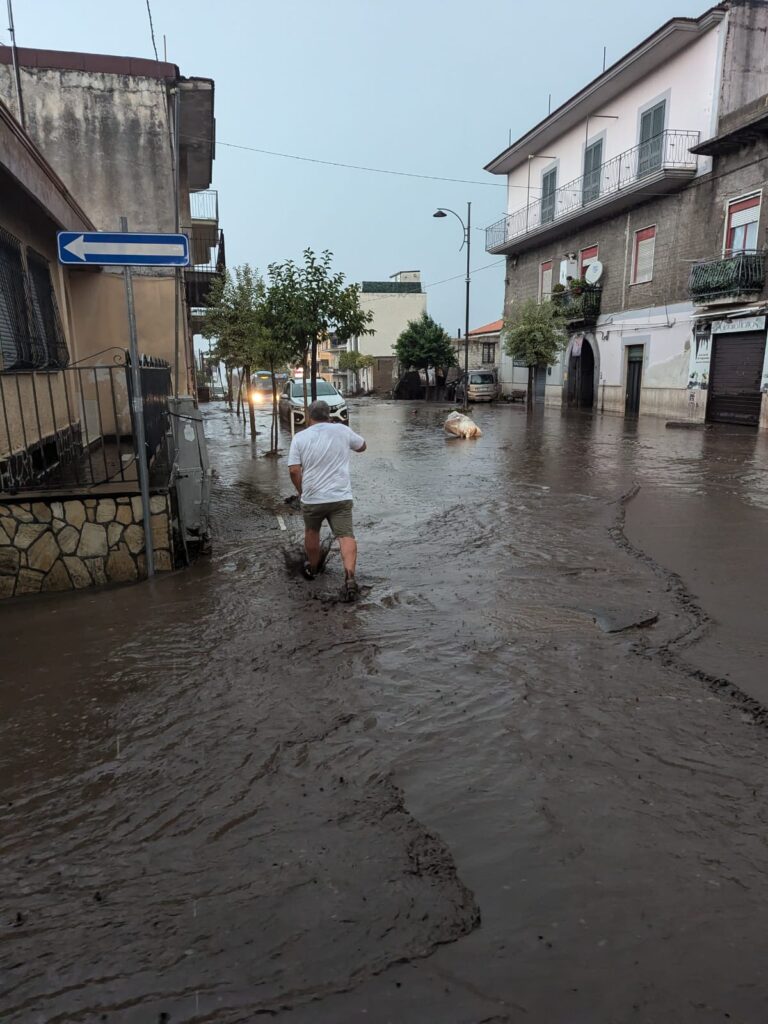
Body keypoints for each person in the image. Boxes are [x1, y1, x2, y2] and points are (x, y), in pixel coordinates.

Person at [287, 399, 366, 600]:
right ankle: (349, 577)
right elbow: (362, 446)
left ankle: (313, 570)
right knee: (346, 535)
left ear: (308, 416)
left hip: (312, 497)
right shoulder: (342, 431)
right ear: (329, 415)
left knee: (312, 532)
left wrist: (301, 490)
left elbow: (294, 469)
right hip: (340, 496)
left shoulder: (300, 437)